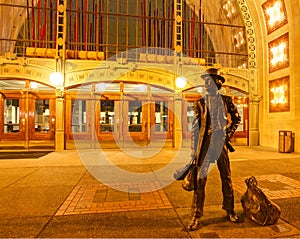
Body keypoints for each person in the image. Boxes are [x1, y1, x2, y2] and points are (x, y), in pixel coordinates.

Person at [187, 68, 241, 231]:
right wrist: (193, 152)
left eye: (209, 80)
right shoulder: (200, 102)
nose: (206, 84)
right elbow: (195, 129)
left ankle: (230, 210)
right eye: (205, 81)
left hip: (220, 143)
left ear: (218, 83)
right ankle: (196, 215)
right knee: (200, 180)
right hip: (205, 144)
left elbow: (237, 118)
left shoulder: (226, 100)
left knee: (226, 177)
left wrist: (228, 135)